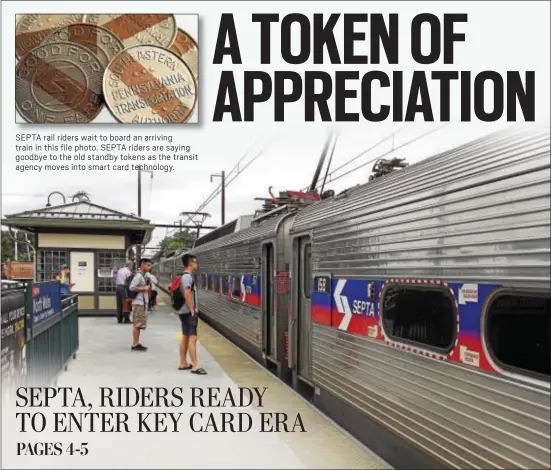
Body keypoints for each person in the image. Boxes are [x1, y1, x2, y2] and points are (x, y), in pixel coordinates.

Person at [178, 254, 206, 374]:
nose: (197, 264)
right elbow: (187, 293)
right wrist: (192, 310)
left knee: (185, 337)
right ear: (190, 263)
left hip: (184, 311)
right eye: (195, 262)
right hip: (188, 312)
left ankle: (183, 363)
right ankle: (195, 366)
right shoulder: (187, 277)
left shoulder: (185, 276)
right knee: (193, 338)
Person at [129, 258, 152, 352]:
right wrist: (144, 288)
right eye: (148, 265)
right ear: (142, 265)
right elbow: (132, 287)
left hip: (141, 303)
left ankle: (137, 342)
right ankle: (135, 344)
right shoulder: (139, 275)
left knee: (138, 324)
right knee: (137, 324)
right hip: (138, 303)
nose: (149, 267)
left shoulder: (142, 275)